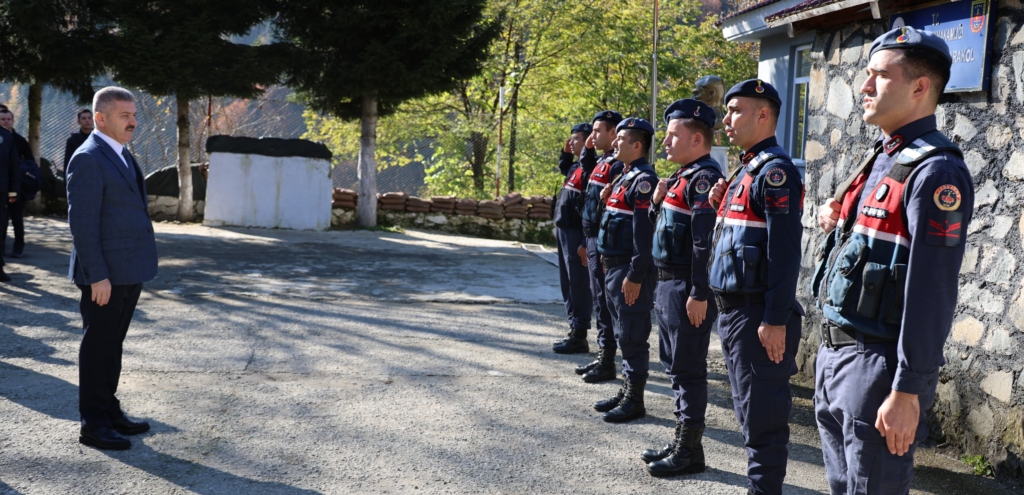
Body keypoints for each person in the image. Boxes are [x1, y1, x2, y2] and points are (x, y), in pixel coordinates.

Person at [811, 27, 972, 494]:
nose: (864, 87)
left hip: (876, 367)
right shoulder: (884, 155)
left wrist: (907, 391)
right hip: (836, 354)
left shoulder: (936, 171)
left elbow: (932, 293)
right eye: (867, 75)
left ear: (920, 87)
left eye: (879, 76)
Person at [707, 79, 804, 495]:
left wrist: (774, 319)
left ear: (763, 115)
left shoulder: (775, 172)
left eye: (735, 111)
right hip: (734, 313)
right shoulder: (748, 168)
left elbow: (785, 254)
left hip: (755, 315)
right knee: (749, 413)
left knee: (762, 419)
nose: (726, 120)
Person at [67, 86, 158, 451]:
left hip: (127, 269)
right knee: (98, 346)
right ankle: (93, 424)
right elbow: (83, 224)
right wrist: (97, 276)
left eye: (134, 114)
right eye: (125, 115)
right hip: (105, 275)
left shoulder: (120, 153)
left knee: (112, 345)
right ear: (100, 119)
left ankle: (109, 410)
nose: (133, 121)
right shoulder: (88, 157)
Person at [642, 99, 724, 477]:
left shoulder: (703, 178)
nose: (666, 144)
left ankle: (689, 449)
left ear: (696, 138)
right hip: (667, 283)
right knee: (674, 366)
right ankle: (682, 440)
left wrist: (699, 292)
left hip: (684, 286)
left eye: (673, 136)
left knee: (688, 369)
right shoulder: (681, 176)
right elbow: (661, 230)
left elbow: (702, 244)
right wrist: (656, 201)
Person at [592, 117, 659, 423]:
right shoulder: (625, 177)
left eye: (621, 139)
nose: (614, 143)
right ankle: (627, 389)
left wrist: (634, 275)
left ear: (636, 145)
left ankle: (635, 400)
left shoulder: (644, 180)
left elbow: (643, 237)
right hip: (613, 267)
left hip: (628, 270)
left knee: (632, 335)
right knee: (622, 332)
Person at [572, 110, 625, 383]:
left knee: (606, 304)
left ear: (613, 133)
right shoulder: (604, 161)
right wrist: (584, 240)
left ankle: (609, 362)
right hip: (591, 239)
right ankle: (604, 356)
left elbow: (609, 211)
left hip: (604, 243)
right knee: (598, 301)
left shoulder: (618, 166)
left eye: (597, 131)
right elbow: (586, 175)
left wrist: (597, 243)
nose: (591, 136)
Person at [552, 122, 594, 354]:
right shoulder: (576, 167)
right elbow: (563, 167)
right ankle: (573, 328)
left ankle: (580, 333)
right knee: (567, 283)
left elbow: (590, 208)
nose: (572, 142)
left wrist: (584, 241)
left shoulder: (590, 169)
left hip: (577, 232)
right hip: (564, 230)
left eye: (577, 139)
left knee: (578, 284)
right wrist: (565, 154)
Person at [0, 109, 39, 258]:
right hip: (2, 186)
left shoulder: (19, 140)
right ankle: (1, 249)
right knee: (2, 220)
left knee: (16, 218)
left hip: (17, 185)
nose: (6, 122)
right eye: (2, 119)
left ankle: (18, 247)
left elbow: (30, 162)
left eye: (8, 119)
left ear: (13, 120)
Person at [0, 120, 18, 282]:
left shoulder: (6, 137)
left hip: (1, 190)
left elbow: (13, 166)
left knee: (0, 230)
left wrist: (13, 191)